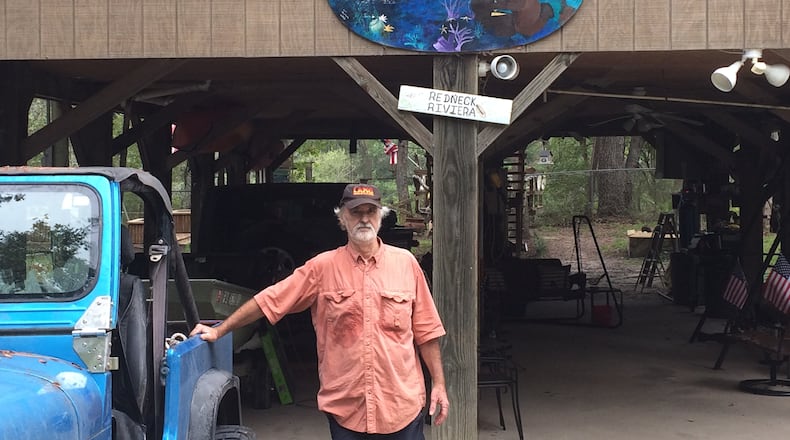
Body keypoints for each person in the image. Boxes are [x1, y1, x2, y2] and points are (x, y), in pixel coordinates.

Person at [190, 183, 449, 439]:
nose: (364, 219)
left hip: (401, 408)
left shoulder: (406, 264)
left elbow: (426, 332)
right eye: (356, 212)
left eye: (370, 211)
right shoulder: (321, 268)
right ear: (342, 218)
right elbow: (270, 300)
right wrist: (220, 330)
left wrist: (438, 384)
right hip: (347, 412)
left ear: (380, 217)